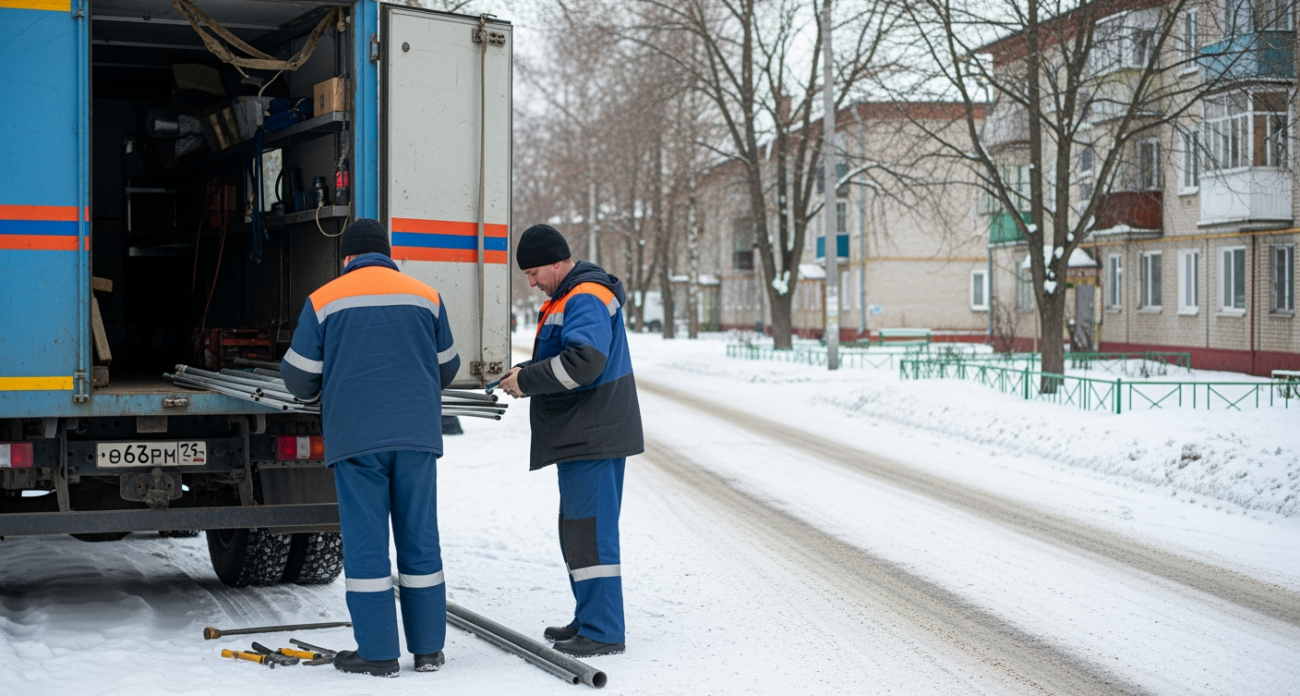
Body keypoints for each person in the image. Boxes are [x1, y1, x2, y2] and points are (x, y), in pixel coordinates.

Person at [281, 218, 460, 677]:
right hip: (417, 438)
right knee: (420, 541)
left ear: (346, 257)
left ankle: (379, 653)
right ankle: (428, 651)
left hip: (357, 439)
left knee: (367, 544)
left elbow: (299, 379)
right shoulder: (426, 296)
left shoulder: (324, 300)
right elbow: (447, 368)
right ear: (388, 254)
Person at [498, 224, 643, 657]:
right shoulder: (569, 296)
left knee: (590, 534)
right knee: (577, 533)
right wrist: (524, 372)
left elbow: (584, 363)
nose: (531, 281)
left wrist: (529, 381)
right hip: (585, 435)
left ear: (559, 262)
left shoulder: (584, 296)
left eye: (535, 271)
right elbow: (564, 356)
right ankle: (589, 617)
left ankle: (602, 631)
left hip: (592, 436)